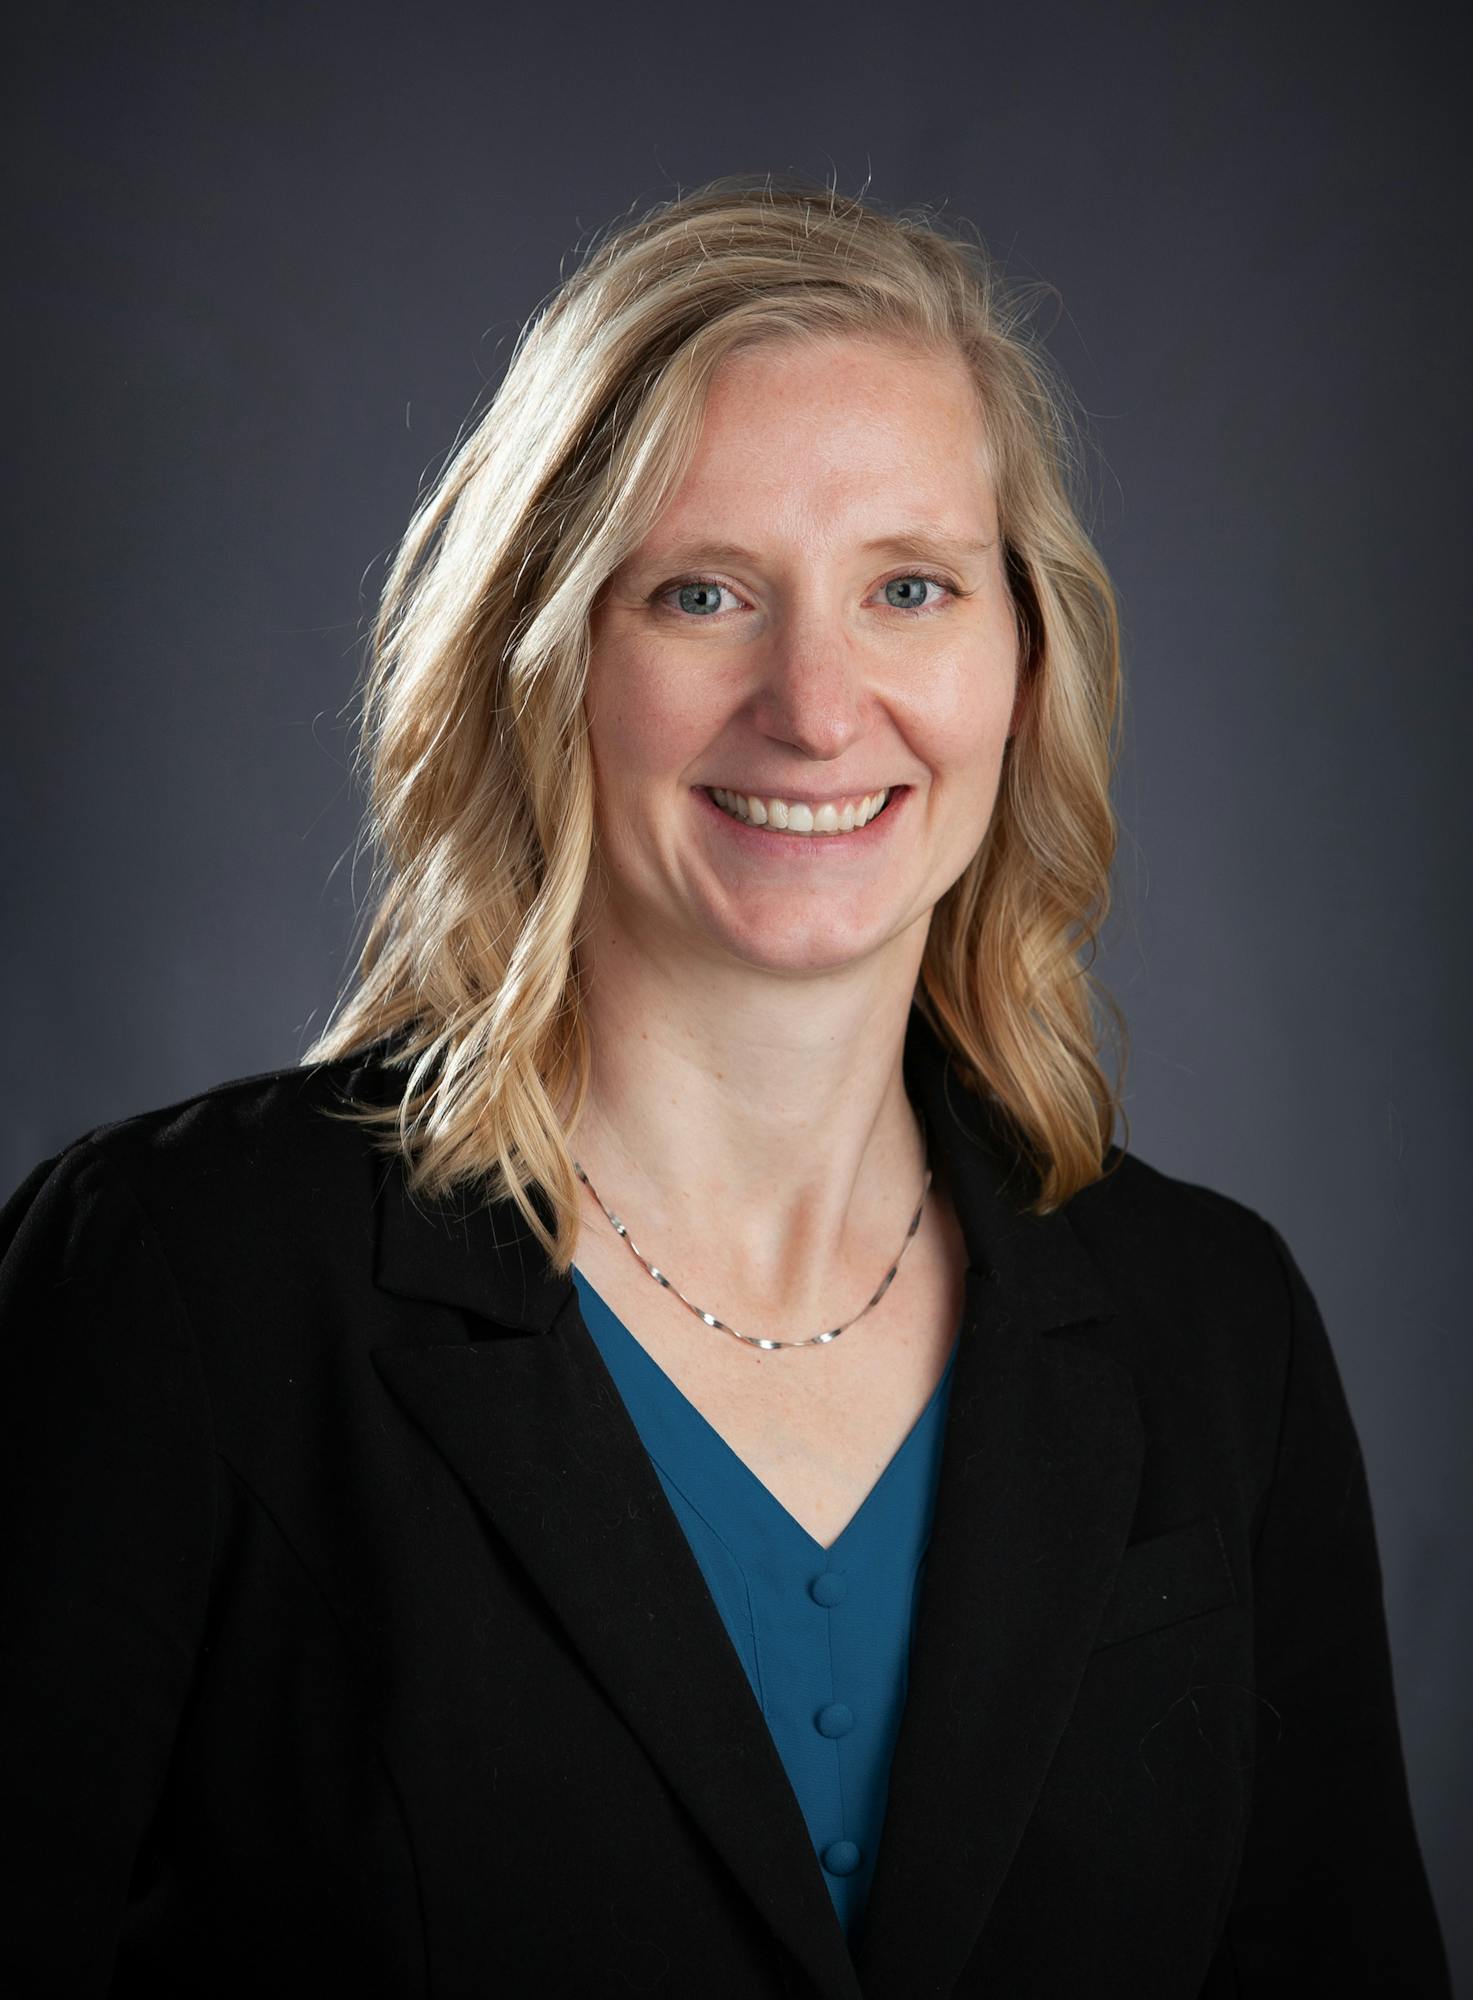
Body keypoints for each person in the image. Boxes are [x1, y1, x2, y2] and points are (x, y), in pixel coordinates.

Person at [0, 173, 1451, 1998]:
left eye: (907, 587)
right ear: (544, 659)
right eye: (702, 594)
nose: (816, 704)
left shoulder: (1212, 1331)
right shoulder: (182, 1283)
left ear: (1024, 656)